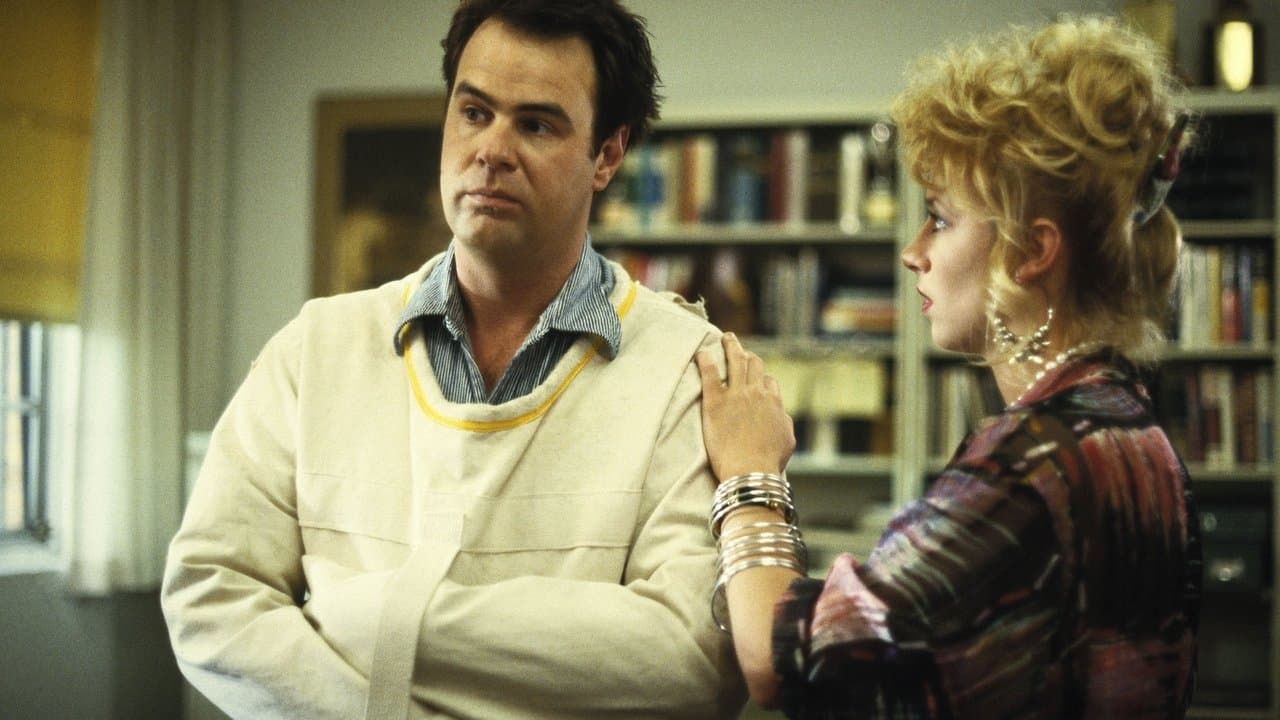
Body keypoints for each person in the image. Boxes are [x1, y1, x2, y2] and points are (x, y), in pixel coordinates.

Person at [161, 2, 746, 718]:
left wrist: (365, 619)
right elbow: (210, 597)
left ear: (607, 155)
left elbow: (692, 654)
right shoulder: (316, 350)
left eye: (536, 125)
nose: (491, 150)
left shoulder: (687, 370)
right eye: (473, 113)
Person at [695, 15, 1201, 719]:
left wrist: (751, 474)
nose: (913, 251)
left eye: (939, 217)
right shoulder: (1130, 423)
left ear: (1032, 251)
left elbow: (787, 661)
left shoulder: (1030, 465)